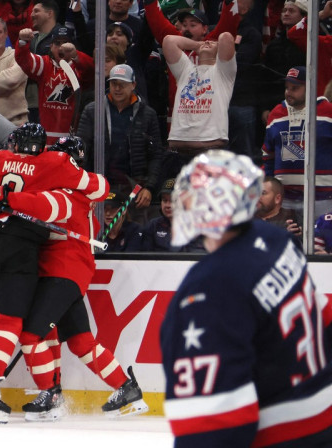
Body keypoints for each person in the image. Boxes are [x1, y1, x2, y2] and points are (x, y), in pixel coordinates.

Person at [161, 149, 332, 447]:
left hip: (282, 436)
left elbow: (214, 424)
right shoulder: (278, 240)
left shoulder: (209, 288)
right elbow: (323, 318)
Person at [0, 123, 108, 423]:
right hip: (21, 250)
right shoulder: (53, 164)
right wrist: (13, 198)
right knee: (13, 324)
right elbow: (100, 188)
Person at [0, 141, 148, 421]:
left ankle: (51, 395)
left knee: (30, 334)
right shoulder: (83, 191)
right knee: (81, 342)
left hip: (62, 271)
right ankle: (127, 389)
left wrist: (8, 198)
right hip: (70, 271)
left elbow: (44, 206)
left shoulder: (68, 192)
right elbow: (93, 224)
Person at [77, 64, 163, 222]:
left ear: (133, 85)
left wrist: (149, 187)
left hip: (134, 185)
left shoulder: (148, 114)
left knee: (133, 234)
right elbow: (81, 151)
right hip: (99, 184)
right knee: (97, 230)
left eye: (122, 84)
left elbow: (156, 155)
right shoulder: (92, 110)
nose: (117, 88)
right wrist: (85, 185)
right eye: (113, 83)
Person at [262, 66, 332, 217]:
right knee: (286, 240)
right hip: (285, 199)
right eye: (287, 87)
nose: (288, 92)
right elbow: (268, 155)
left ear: (310, 86)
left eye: (295, 88)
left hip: (323, 198)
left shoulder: (328, 112)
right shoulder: (276, 114)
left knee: (322, 240)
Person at [163, 32, 237, 164]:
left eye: (213, 41)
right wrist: (197, 45)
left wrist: (212, 45)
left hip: (210, 151)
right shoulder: (185, 70)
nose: (208, 42)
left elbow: (226, 37)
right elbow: (169, 41)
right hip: (177, 152)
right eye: (206, 41)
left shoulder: (224, 72)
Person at [16, 25, 93, 144]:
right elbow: (24, 60)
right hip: (46, 137)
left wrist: (76, 55)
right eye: (57, 43)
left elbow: (91, 72)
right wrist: (22, 42)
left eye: (66, 43)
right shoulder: (45, 64)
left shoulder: (79, 66)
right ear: (51, 46)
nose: (61, 48)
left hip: (72, 136)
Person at [141, 178, 205, 252]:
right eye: (165, 200)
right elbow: (144, 258)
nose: (168, 205)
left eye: (173, 200)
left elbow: (197, 257)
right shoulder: (153, 226)